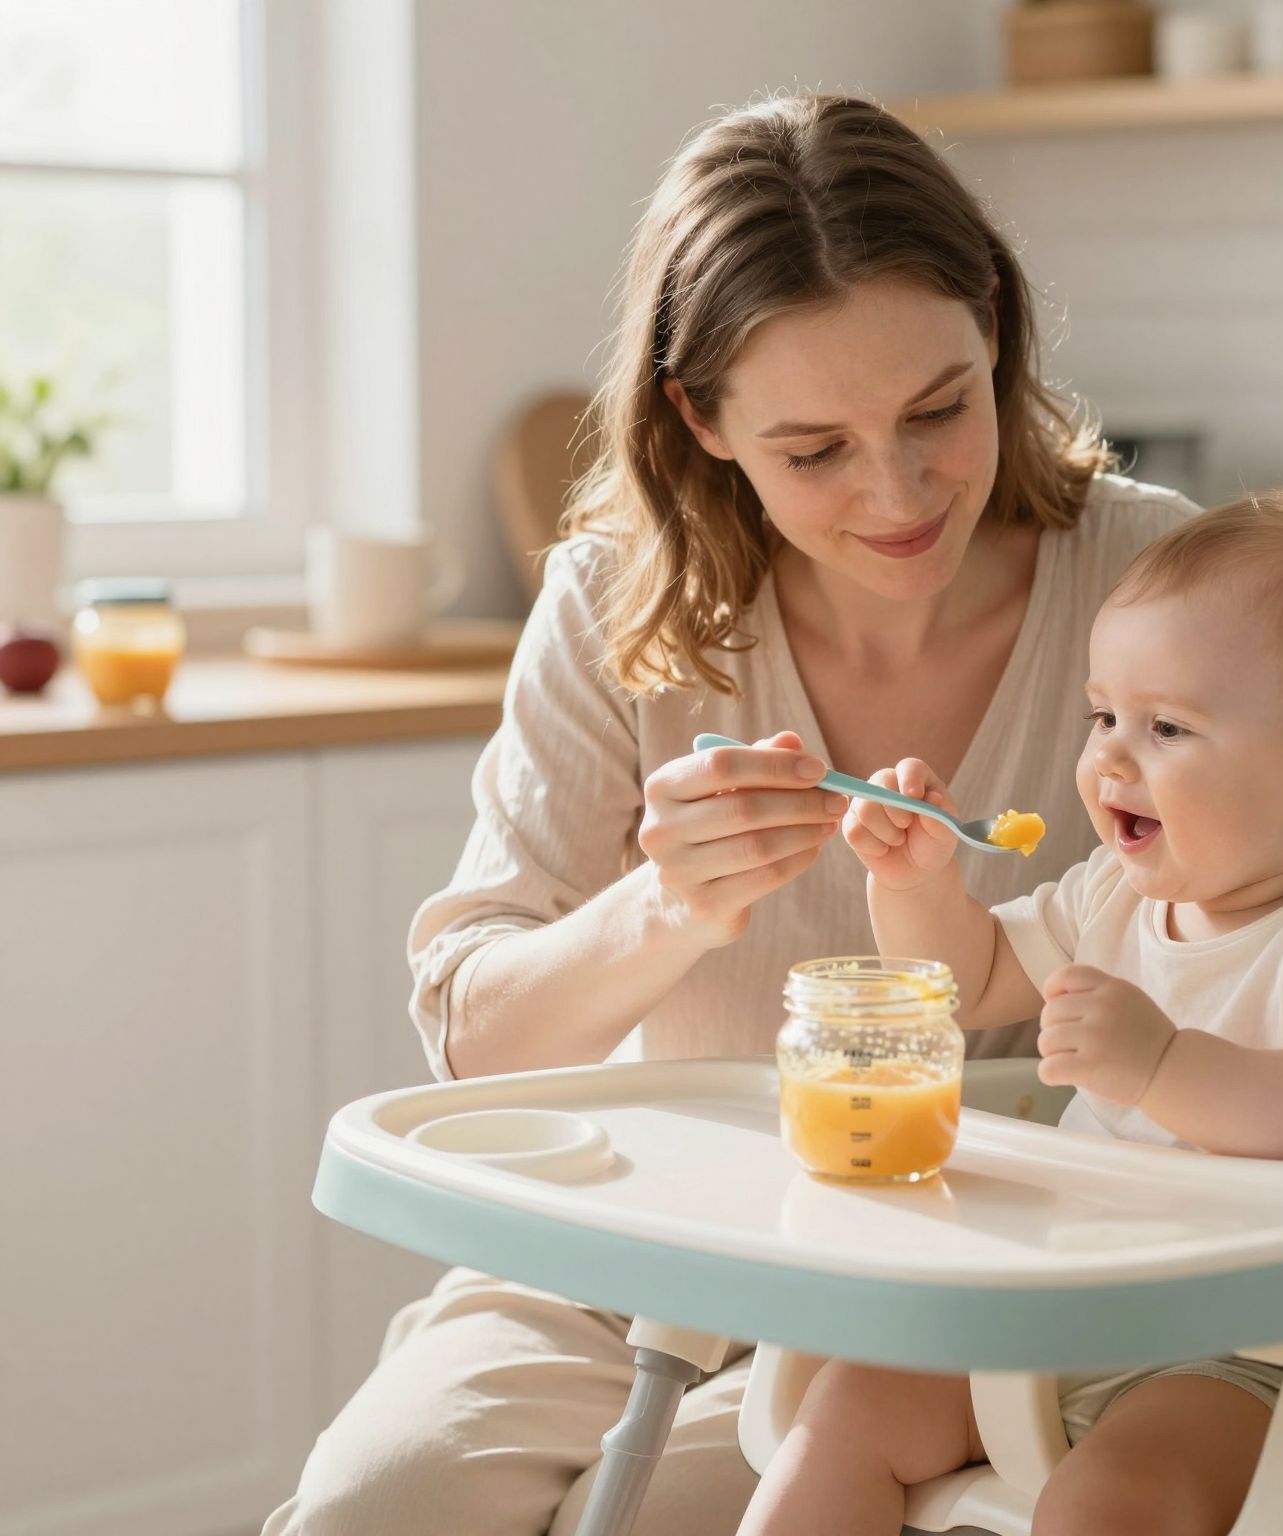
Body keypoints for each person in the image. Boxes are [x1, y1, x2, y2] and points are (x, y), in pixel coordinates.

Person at [264, 91, 1198, 1536]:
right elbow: (471, 1038)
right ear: (702, 420)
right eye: (815, 449)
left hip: (970, 1286)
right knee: (373, 1507)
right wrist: (665, 909)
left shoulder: (1160, 586)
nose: (897, 494)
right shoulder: (615, 609)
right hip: (630, 1243)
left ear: (997, 334)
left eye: (939, 410)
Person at [739, 492, 1283, 1536]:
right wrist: (915, 886)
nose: (1108, 760)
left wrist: (1164, 1065)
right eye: (1103, 717)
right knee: (847, 1408)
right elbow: (970, 978)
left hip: (1264, 1349)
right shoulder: (1115, 895)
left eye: (1165, 727)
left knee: (1113, 1505)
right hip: (1069, 1299)